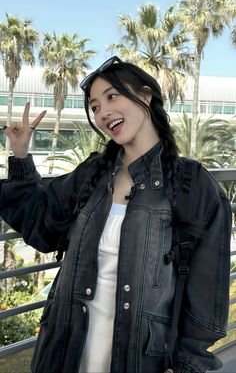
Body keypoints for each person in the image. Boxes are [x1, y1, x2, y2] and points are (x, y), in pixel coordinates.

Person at [0, 56, 232, 373]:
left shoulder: (192, 185)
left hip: (141, 361)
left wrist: (186, 365)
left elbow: (205, 300)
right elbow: (42, 223)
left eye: (112, 96)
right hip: (64, 354)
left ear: (146, 96)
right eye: (95, 107)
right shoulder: (92, 174)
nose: (103, 112)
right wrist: (22, 154)